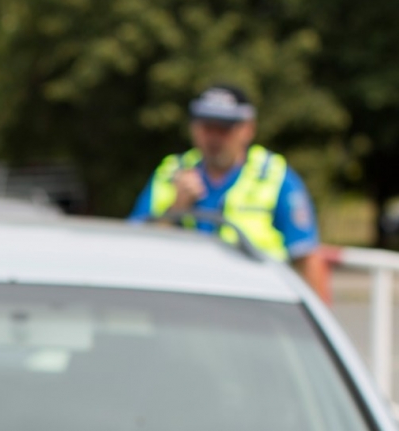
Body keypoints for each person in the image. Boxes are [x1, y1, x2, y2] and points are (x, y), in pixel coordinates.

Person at [130, 84, 330, 298]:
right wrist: (176, 208)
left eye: (224, 129)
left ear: (248, 130)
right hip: (182, 300)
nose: (214, 137)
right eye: (207, 127)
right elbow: (135, 246)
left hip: (255, 302)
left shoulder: (274, 175)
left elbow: (307, 256)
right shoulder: (170, 173)